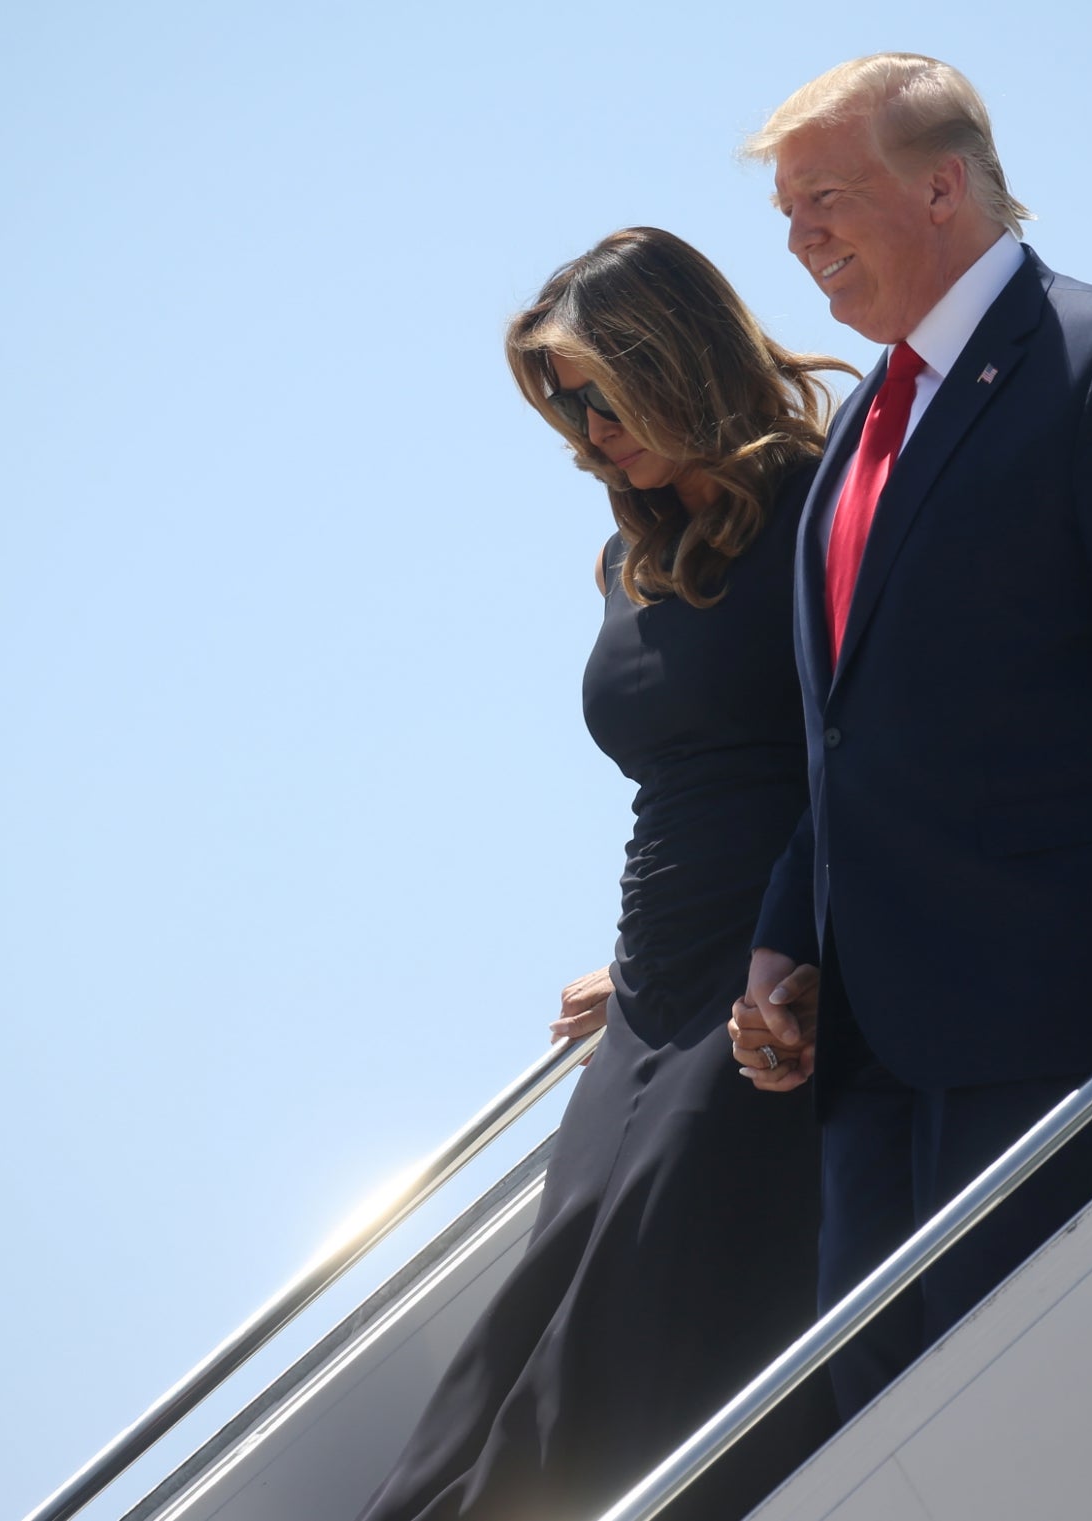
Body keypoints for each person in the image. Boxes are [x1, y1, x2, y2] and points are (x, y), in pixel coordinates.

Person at [724, 54, 1092, 1418]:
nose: (800, 239)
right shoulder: (861, 428)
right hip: (875, 1042)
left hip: (1061, 1003)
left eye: (827, 200)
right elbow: (850, 734)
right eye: (787, 212)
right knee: (880, 1431)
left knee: (1032, 1410)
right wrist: (787, 935)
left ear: (940, 185)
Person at [357, 227, 853, 1521]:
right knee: (535, 1317)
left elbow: (857, 751)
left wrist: (791, 937)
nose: (582, 429)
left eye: (595, 390)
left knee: (632, 1328)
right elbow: (680, 780)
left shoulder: (825, 497)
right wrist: (627, 955)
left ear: (669, 356)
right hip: (651, 984)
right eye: (558, 405)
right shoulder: (631, 554)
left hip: (776, 961)